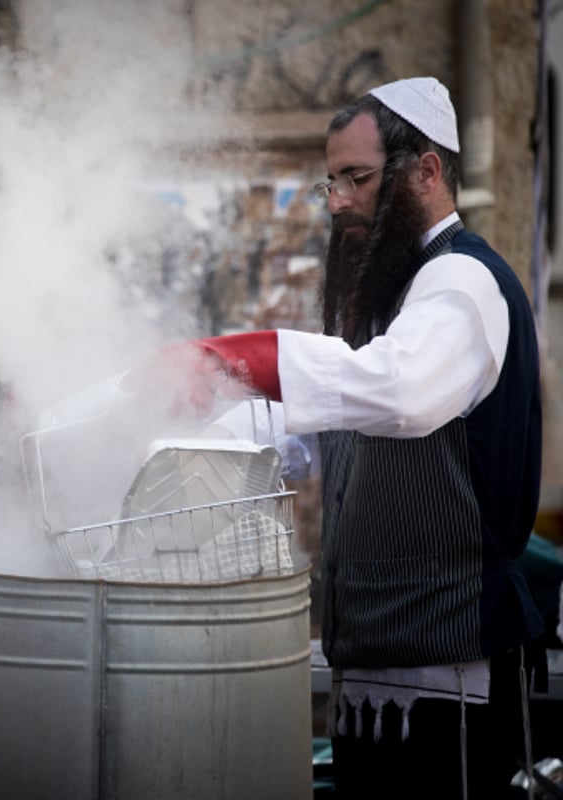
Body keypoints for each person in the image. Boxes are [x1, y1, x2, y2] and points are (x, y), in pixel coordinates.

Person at [169, 77, 545, 798]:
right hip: (374, 680)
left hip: (452, 687)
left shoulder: (461, 283)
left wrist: (244, 357)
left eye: (358, 178)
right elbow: (301, 428)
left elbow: (398, 392)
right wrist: (171, 434)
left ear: (426, 172)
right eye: (331, 182)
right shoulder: (393, 304)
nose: (338, 200)